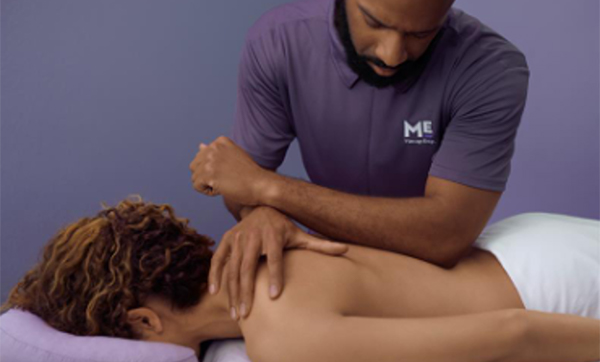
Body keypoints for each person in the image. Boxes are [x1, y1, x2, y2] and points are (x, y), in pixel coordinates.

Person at [188, 0, 530, 323]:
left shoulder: (492, 69)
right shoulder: (277, 41)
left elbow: (445, 238)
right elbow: (239, 185)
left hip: (432, 285)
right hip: (329, 270)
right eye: (375, 22)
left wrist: (269, 190)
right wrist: (260, 214)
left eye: (421, 33)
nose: (391, 54)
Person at [2, 198, 598, 362]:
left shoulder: (280, 332)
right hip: (521, 240)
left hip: (546, 287)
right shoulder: (260, 254)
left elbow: (512, 335)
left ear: (143, 321)